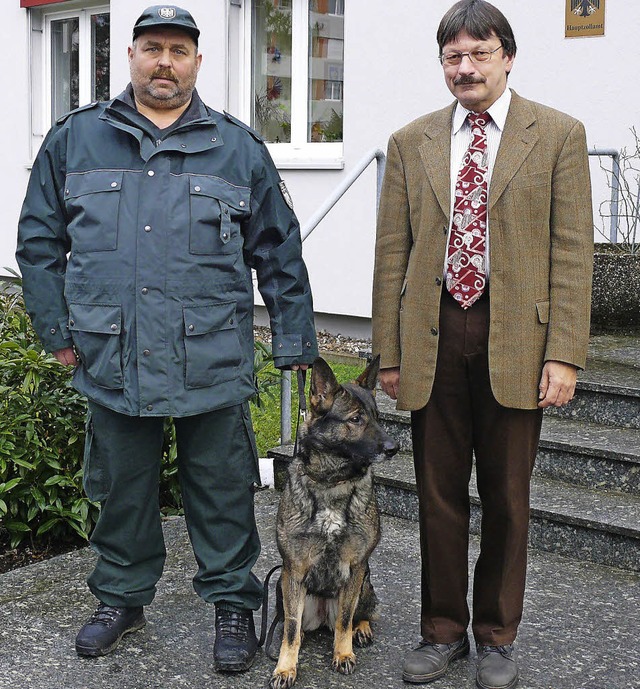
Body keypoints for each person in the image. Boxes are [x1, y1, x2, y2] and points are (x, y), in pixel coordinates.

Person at [16, 4, 317, 673]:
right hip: (111, 353)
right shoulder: (76, 140)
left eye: (178, 51)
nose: (164, 62)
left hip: (210, 352)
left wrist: (295, 337)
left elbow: (279, 251)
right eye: (152, 47)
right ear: (129, 55)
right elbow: (38, 243)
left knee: (222, 485)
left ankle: (233, 602)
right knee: (122, 485)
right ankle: (121, 596)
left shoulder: (238, 148)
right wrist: (57, 329)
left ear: (197, 63)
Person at [371, 1, 593, 687]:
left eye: (478, 53)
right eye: (452, 57)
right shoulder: (411, 141)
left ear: (507, 56)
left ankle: (496, 635)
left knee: (507, 496)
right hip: (432, 331)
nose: (464, 68)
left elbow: (572, 252)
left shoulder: (556, 134)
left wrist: (565, 352)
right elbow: (391, 252)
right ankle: (441, 632)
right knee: (436, 495)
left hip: (517, 339)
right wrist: (390, 350)